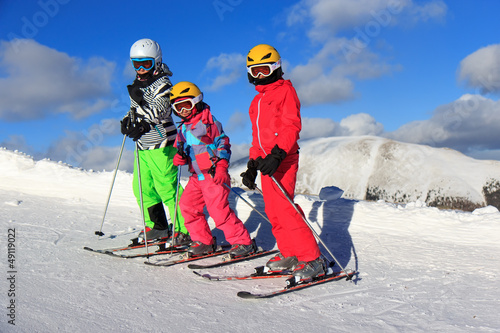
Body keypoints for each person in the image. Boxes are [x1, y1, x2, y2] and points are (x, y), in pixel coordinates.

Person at [240, 44, 324, 280]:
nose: (259, 76)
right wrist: (252, 166)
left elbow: (291, 126)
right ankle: (290, 253)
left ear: (276, 68)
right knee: (274, 211)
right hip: (267, 162)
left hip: (283, 159)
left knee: (286, 209)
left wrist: (277, 155)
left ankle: (312, 258)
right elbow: (257, 138)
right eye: (255, 71)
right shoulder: (256, 102)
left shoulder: (286, 91)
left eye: (264, 70)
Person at [169, 81, 255, 258]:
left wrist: (222, 165)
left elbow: (223, 143)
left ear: (196, 101)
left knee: (219, 211)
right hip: (196, 177)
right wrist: (180, 157)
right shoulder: (182, 128)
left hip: (213, 174)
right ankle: (203, 241)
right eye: (178, 107)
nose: (183, 110)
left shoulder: (208, 122)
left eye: (186, 104)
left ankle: (243, 242)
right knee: (187, 206)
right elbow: (183, 148)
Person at [120, 38, 189, 245]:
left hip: (161, 143)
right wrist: (127, 121)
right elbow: (134, 109)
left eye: (146, 64)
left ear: (157, 62)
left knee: (167, 187)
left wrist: (144, 123)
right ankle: (158, 226)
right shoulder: (137, 84)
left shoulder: (163, 84)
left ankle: (185, 229)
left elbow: (161, 108)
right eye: (136, 64)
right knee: (142, 187)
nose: (140, 69)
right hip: (142, 145)